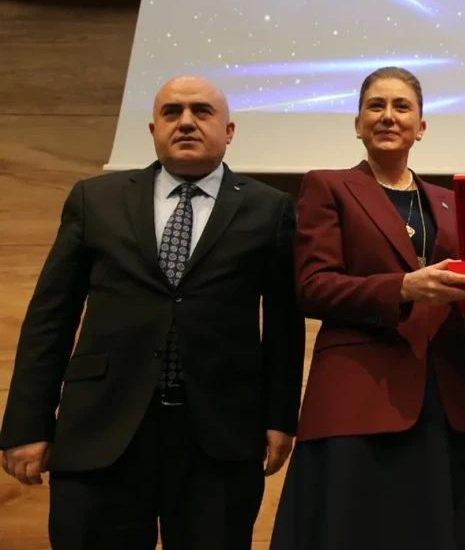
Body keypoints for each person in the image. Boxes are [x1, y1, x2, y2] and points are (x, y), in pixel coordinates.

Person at [0, 76, 303, 549]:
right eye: (172, 112)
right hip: (101, 429)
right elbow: (49, 318)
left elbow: (284, 325)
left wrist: (280, 417)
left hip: (219, 437)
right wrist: (27, 422)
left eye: (202, 111)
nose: (186, 122)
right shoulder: (95, 199)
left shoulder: (270, 209)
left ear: (229, 131)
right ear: (153, 129)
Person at [268, 66, 465, 550]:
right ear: (357, 124)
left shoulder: (451, 203)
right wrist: (403, 287)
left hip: (445, 399)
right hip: (358, 397)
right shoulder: (328, 187)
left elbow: (460, 297)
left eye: (402, 107)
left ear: (421, 127)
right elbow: (312, 286)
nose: (388, 116)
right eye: (375, 106)